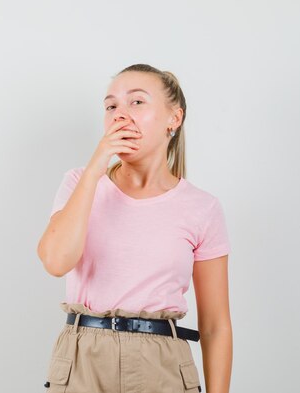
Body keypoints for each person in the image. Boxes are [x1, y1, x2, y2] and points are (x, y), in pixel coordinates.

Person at [37, 63, 232, 393]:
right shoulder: (79, 183)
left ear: (174, 118)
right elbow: (56, 262)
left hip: (162, 363)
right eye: (111, 106)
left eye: (136, 102)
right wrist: (96, 168)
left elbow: (215, 326)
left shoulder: (203, 207)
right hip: (83, 359)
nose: (119, 115)